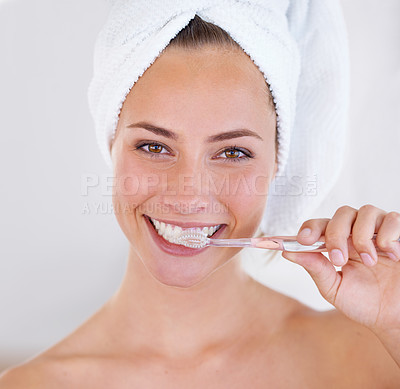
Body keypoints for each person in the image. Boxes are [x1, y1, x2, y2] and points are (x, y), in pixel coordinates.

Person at [1, 2, 400, 388]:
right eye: (154, 146)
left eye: (232, 152)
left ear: (278, 160)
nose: (187, 196)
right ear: (112, 145)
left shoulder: (375, 360)